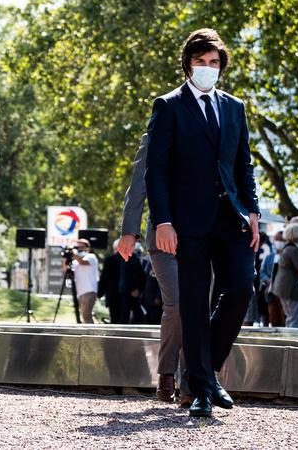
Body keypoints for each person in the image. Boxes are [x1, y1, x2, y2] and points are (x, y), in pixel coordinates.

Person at [145, 28, 261, 418]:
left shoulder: (234, 108)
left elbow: (243, 164)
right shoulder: (168, 106)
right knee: (193, 305)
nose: (208, 69)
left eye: (214, 63)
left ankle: (205, 373)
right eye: (201, 62)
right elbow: (156, 171)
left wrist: (254, 211)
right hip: (186, 224)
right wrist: (163, 221)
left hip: (231, 219)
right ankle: (201, 391)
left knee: (242, 288)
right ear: (188, 65)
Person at [118, 131, 191, 403]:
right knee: (177, 305)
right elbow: (138, 185)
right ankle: (168, 374)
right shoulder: (155, 136)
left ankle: (192, 380)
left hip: (204, 236)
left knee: (197, 307)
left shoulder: (210, 131)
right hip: (161, 237)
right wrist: (129, 231)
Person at [70, 239, 99, 325]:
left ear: (87, 248)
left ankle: (92, 335)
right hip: (80, 292)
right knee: (85, 317)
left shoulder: (91, 257)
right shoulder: (75, 261)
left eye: (81, 247)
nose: (79, 249)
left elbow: (83, 262)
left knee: (87, 316)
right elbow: (67, 271)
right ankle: (91, 334)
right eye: (77, 247)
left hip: (90, 290)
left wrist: (74, 254)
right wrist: (66, 258)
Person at [119, 241, 147, 324]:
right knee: (129, 314)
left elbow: (139, 275)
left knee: (134, 314)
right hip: (130, 291)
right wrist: (134, 289)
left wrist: (139, 289)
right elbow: (129, 275)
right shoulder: (130, 258)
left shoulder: (133, 258)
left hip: (131, 290)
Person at [98, 244, 124, 324]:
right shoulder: (132, 258)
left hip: (114, 294)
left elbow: (104, 277)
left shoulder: (109, 259)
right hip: (122, 294)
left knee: (115, 318)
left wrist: (100, 292)